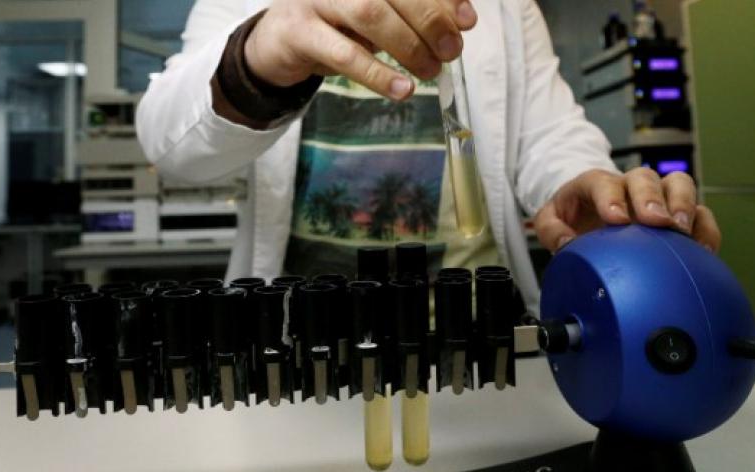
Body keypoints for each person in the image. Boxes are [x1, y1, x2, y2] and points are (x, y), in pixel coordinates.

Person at [136, 0, 721, 313]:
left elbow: (550, 134)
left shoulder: (501, 7)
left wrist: (589, 186)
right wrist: (259, 54)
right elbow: (171, 144)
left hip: (473, 337)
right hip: (301, 339)